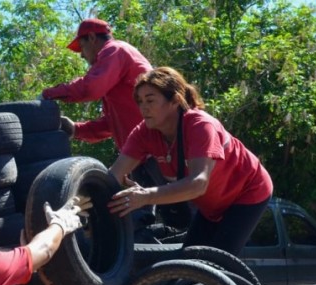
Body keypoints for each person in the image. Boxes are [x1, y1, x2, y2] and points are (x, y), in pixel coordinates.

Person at [108, 66, 273, 256]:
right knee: (188, 261)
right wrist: (80, 203)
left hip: (247, 193)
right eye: (140, 101)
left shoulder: (200, 125)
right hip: (211, 205)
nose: (143, 107)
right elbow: (113, 175)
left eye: (150, 100)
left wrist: (145, 196)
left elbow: (197, 184)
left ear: (175, 100)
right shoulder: (143, 132)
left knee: (216, 263)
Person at [41, 18, 153, 152]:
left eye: (82, 46)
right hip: (142, 154)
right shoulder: (116, 61)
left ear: (92, 37)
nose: (82, 55)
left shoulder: (114, 50)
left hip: (156, 150)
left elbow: (90, 88)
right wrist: (76, 129)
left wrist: (47, 94)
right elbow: (110, 124)